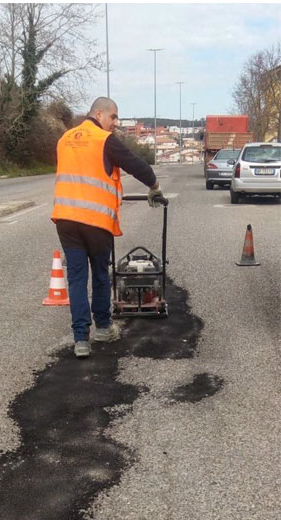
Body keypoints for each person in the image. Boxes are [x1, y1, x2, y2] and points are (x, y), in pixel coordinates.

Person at [51, 96, 164, 358]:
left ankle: (81, 340)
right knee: (100, 274)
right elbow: (134, 163)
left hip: (66, 219)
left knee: (77, 279)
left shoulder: (64, 139)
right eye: (113, 117)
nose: (115, 123)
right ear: (99, 114)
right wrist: (154, 186)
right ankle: (102, 327)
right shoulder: (103, 139)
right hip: (95, 221)